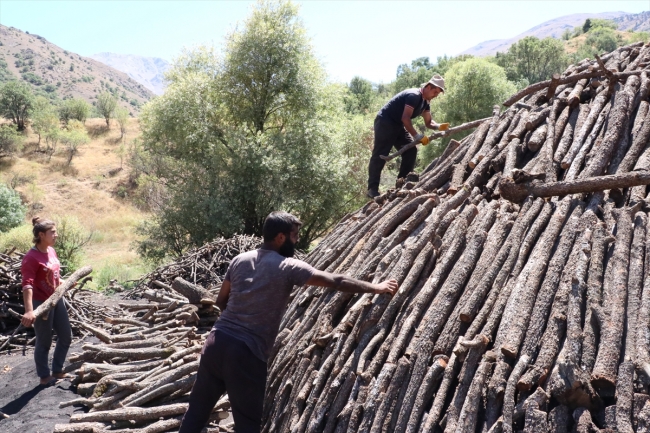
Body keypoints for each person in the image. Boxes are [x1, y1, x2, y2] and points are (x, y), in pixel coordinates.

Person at [178, 211, 398, 433]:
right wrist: (377, 287)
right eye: (295, 235)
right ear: (281, 237)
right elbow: (337, 281)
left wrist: (235, 322)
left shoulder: (240, 260)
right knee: (248, 424)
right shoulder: (288, 266)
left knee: (196, 413)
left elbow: (220, 300)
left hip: (216, 342)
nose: (297, 240)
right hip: (246, 352)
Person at [367, 74, 447, 198]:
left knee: (410, 150)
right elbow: (405, 118)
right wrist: (417, 136)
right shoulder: (414, 96)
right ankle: (372, 189)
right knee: (381, 154)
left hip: (397, 124)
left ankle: (402, 184)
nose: (436, 95)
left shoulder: (426, 103)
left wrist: (439, 126)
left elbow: (429, 123)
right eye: (435, 92)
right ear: (428, 87)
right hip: (385, 122)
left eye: (438, 93)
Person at [20, 216, 72, 386]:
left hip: (57, 299)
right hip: (41, 304)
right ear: (42, 235)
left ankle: (57, 369)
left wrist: (63, 283)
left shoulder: (50, 250)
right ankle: (44, 376)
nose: (56, 235)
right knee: (44, 341)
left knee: (65, 336)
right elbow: (27, 286)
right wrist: (29, 311)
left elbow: (54, 274)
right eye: (53, 232)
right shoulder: (31, 258)